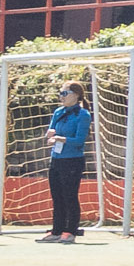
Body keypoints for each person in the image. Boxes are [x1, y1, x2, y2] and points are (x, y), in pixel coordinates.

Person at [39, 81, 92, 243]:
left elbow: (79, 140)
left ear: (76, 95)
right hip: (56, 159)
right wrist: (50, 135)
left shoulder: (83, 114)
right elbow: (51, 132)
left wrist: (61, 138)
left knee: (70, 196)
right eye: (60, 93)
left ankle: (70, 231)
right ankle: (56, 230)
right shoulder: (58, 112)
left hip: (72, 160)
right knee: (57, 196)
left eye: (64, 93)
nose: (61, 97)